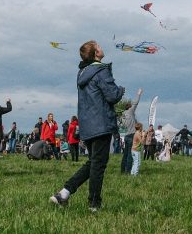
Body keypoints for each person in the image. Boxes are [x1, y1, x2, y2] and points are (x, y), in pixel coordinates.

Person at [50, 40, 124, 213]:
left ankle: (64, 193)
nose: (102, 47)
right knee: (98, 165)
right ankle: (94, 204)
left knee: (93, 163)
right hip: (101, 124)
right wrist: (120, 90)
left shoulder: (82, 73)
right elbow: (112, 96)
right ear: (95, 53)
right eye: (99, 46)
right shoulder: (101, 70)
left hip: (87, 126)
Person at [118, 87, 142, 174]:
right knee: (130, 155)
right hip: (132, 135)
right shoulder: (130, 111)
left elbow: (121, 126)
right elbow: (136, 103)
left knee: (125, 154)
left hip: (126, 136)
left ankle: (122, 170)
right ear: (129, 107)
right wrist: (139, 94)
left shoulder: (122, 116)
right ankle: (128, 171)